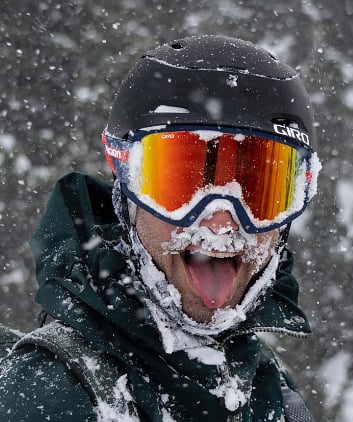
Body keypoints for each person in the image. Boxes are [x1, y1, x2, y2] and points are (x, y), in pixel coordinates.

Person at [0, 35, 321, 421]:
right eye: (182, 186)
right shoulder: (54, 393)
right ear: (127, 189)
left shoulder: (272, 388)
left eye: (259, 193)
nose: (221, 224)